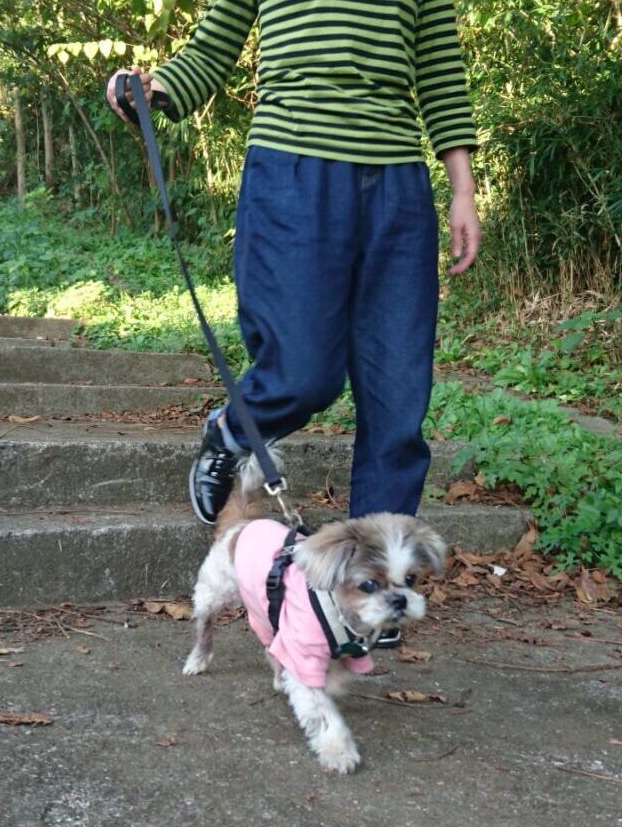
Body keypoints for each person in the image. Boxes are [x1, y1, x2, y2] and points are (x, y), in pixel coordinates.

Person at [106, 0, 480, 533]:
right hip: (292, 171)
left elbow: (439, 68)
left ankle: (376, 568)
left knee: (398, 394)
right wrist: (152, 89)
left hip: (398, 183)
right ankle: (234, 432)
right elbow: (210, 49)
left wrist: (463, 190)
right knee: (302, 375)